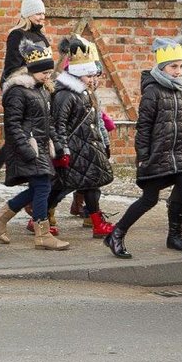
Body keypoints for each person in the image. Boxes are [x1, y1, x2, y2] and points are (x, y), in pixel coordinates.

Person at [105, 39, 182, 263]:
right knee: (149, 199)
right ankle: (117, 233)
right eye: (173, 67)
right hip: (159, 155)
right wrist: (143, 157)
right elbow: (144, 127)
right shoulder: (153, 92)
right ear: (162, 67)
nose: (178, 71)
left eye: (181, 66)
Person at [0, 39, 68, 250]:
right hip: (28, 147)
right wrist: (25, 149)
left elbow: (47, 123)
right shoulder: (17, 91)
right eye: (44, 73)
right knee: (43, 187)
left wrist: (57, 145)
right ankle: (42, 235)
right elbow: (12, 125)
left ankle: (0, 216)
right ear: (32, 70)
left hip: (41, 147)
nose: (48, 76)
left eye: (50, 73)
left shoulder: (42, 89)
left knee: (39, 187)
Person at [0, 0, 49, 196]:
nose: (41, 17)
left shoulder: (41, 36)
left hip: (39, 89)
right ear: (27, 14)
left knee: (28, 134)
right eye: (38, 14)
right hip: (18, 89)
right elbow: (11, 67)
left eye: (43, 14)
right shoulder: (17, 35)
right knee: (17, 133)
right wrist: (30, 78)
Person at [46, 36, 115, 239]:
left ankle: (96, 222)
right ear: (77, 75)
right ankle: (41, 216)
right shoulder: (65, 95)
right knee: (61, 186)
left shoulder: (86, 93)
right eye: (88, 75)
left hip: (88, 148)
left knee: (91, 184)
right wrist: (63, 150)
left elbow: (95, 121)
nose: (92, 79)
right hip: (72, 150)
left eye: (93, 75)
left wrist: (104, 143)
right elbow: (58, 125)